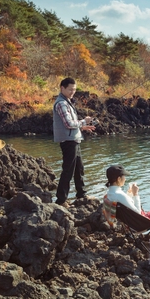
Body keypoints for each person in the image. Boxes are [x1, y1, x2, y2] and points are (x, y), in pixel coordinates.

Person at [53, 77, 95, 207]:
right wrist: (84, 122)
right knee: (68, 170)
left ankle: (81, 194)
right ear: (62, 88)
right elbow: (69, 123)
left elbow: (71, 125)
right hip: (68, 141)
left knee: (79, 169)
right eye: (70, 89)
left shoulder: (68, 102)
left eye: (74, 89)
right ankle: (61, 200)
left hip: (74, 139)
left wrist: (82, 127)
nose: (73, 92)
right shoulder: (61, 103)